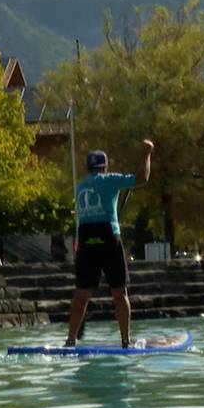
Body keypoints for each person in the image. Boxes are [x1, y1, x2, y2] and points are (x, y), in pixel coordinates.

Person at [66, 140, 154, 348]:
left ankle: (70, 341)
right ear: (104, 167)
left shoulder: (81, 186)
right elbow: (142, 178)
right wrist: (146, 154)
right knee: (119, 292)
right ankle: (125, 341)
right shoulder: (110, 179)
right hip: (108, 237)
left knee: (81, 294)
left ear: (88, 168)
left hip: (86, 239)